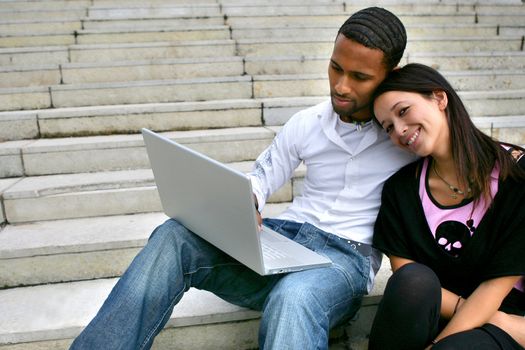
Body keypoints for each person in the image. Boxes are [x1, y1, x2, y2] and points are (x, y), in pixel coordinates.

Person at [70, 7, 416, 350]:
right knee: (174, 236)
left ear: (391, 74)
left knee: (294, 297)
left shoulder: (406, 137)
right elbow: (261, 178)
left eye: (359, 77)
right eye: (335, 68)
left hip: (344, 260)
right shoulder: (307, 123)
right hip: (288, 241)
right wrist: (246, 203)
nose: (341, 86)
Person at [369, 63, 525, 349]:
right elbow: (406, 275)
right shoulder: (400, 191)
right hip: (446, 315)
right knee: (413, 280)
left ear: (439, 98)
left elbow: (497, 287)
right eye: (388, 127)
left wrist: (439, 345)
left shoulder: (516, 174)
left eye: (403, 111)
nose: (400, 130)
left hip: (506, 322)